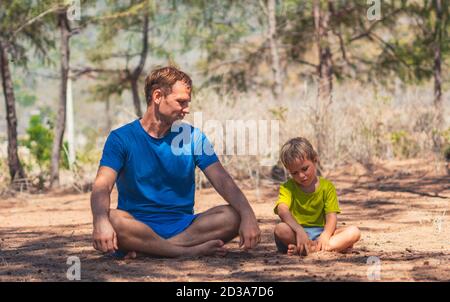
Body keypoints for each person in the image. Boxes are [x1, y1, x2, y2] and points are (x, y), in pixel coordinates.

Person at [90, 66, 260, 259]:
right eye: (181, 102)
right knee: (112, 218)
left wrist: (248, 215)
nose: (186, 110)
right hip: (136, 226)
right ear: (157, 96)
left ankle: (153, 250)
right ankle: (187, 252)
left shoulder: (193, 137)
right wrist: (100, 220)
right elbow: (102, 186)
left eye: (187, 103)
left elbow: (222, 180)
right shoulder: (121, 138)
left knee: (233, 215)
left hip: (185, 227)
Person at [273, 137, 360, 256]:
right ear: (289, 171)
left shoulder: (327, 187)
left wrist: (325, 235)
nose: (301, 175)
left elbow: (331, 217)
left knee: (354, 232)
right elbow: (282, 210)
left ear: (315, 160)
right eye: (294, 173)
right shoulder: (287, 187)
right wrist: (299, 231)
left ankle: (309, 249)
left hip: (320, 233)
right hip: (294, 232)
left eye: (304, 169)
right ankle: (326, 247)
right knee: (280, 229)